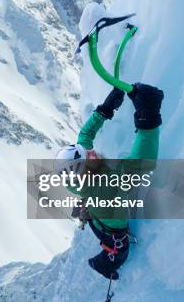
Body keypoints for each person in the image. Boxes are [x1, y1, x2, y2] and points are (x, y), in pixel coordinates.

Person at [56, 83, 164, 280]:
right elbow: (140, 163)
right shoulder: (106, 188)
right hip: (111, 230)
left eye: (83, 152)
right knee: (118, 252)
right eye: (86, 157)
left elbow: (85, 137)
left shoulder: (80, 170)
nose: (90, 152)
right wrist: (148, 118)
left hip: (95, 214)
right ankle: (105, 267)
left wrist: (105, 109)